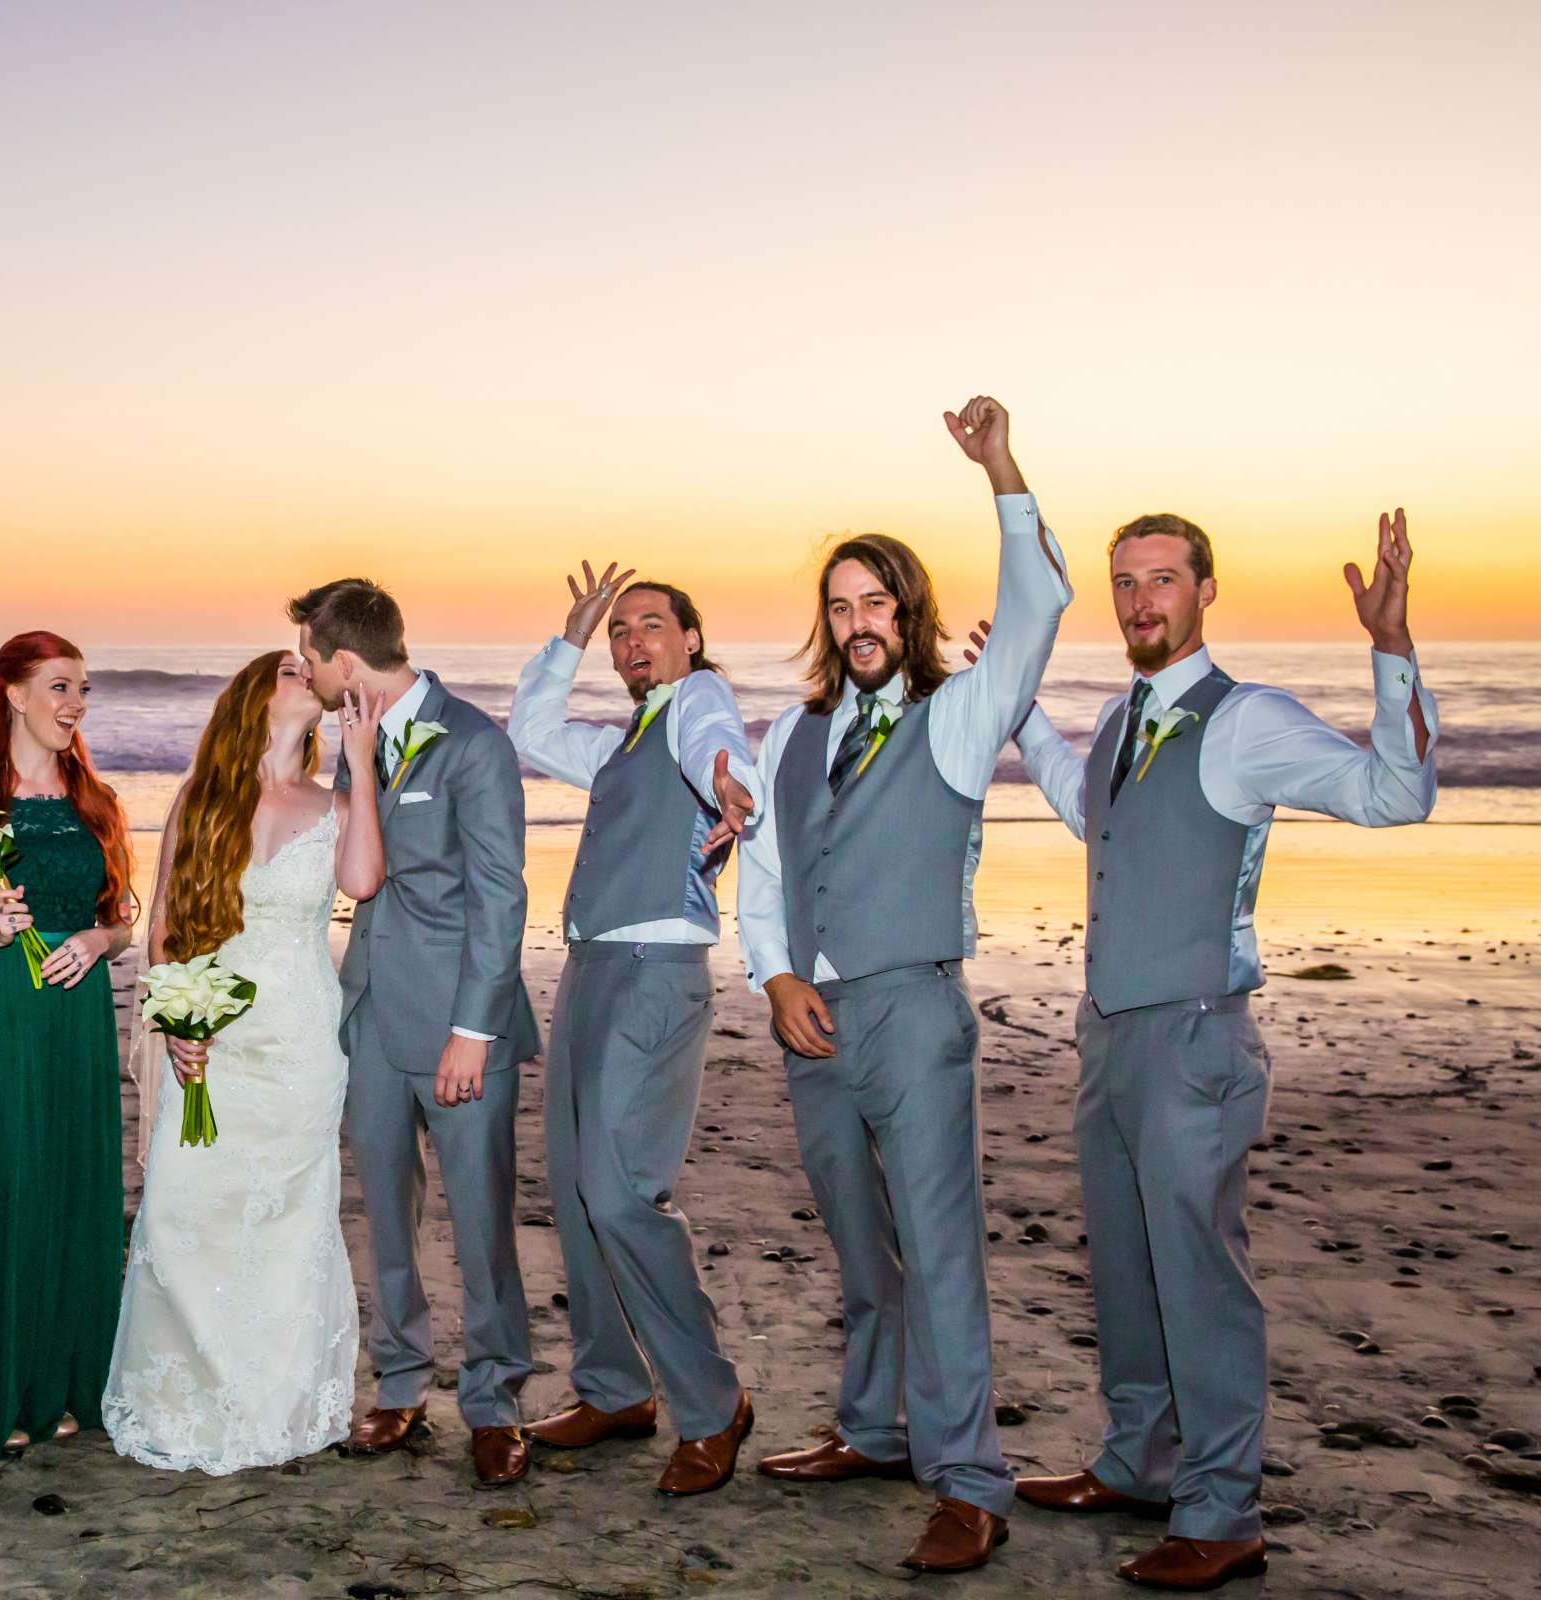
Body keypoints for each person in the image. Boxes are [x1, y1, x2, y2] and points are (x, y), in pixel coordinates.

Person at [1007, 509, 1436, 1591]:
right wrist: (1019, 715)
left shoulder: (1245, 719)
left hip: (1196, 1035)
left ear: (1205, 591)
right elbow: (1088, 813)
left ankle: (1222, 1507)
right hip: (1106, 1034)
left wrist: (1390, 647)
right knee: (1125, 1264)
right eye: (1125, 582)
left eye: (1162, 579)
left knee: (1200, 1276)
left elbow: (1399, 793)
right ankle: (1140, 1459)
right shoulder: (1116, 719)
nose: (1141, 600)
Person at [735, 397, 1070, 1572]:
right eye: (840, 605)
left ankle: (970, 1478)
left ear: (909, 611)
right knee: (858, 1245)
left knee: (938, 1248)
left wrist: (1001, 471)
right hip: (810, 1020)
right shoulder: (793, 733)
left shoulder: (959, 715)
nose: (858, 621)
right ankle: (873, 1430)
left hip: (915, 1009)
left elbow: (1035, 612)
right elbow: (766, 868)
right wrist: (773, 977)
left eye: (876, 601)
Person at [506, 567, 762, 1494]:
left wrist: (733, 783)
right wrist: (568, 634)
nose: (633, 641)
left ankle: (710, 1400)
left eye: (651, 624)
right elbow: (531, 730)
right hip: (589, 971)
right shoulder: (621, 743)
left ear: (691, 640)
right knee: (574, 1190)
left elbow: (718, 745)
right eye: (621, 631)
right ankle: (613, 1388)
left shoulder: (698, 702)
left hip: (656, 974)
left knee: (621, 1194)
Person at [102, 652, 385, 1473]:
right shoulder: (203, 798)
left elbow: (363, 880)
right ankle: (186, 1396)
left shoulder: (333, 801)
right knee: (186, 1210)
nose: (308, 678)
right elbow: (163, 930)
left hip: (297, 1039)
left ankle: (271, 1401)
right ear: (255, 699)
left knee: (288, 1219)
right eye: (290, 670)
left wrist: (362, 766)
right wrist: (177, 1020)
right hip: (214, 1032)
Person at [288, 578, 541, 1489]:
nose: (308, 676)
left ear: (344, 661)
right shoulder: (352, 746)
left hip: (461, 1029)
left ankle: (495, 1398)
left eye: (312, 660)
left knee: (482, 1222)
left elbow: (501, 898)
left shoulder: (474, 744)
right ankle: (399, 1382)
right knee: (386, 1218)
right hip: (369, 1017)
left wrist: (473, 1030)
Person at [0, 631, 135, 1458]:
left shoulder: (96, 801)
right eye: (60, 687)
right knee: (1, 1189)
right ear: (11, 693)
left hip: (77, 1018)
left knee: (71, 1189)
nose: (75, 705)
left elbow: (123, 915)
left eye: (84, 691)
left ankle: (60, 1380)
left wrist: (101, 943)